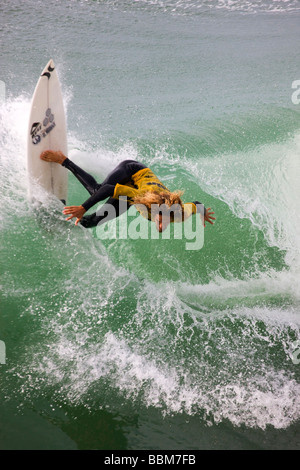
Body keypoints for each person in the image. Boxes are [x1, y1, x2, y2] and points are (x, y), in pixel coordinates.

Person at [40, 150, 215, 232]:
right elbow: (108, 189)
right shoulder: (143, 198)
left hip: (137, 192)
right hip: (133, 171)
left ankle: (61, 220)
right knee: (96, 190)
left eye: (165, 222)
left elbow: (197, 205)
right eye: (161, 221)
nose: (161, 227)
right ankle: (64, 160)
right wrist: (83, 207)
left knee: (95, 221)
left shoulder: (179, 214)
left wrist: (203, 212)